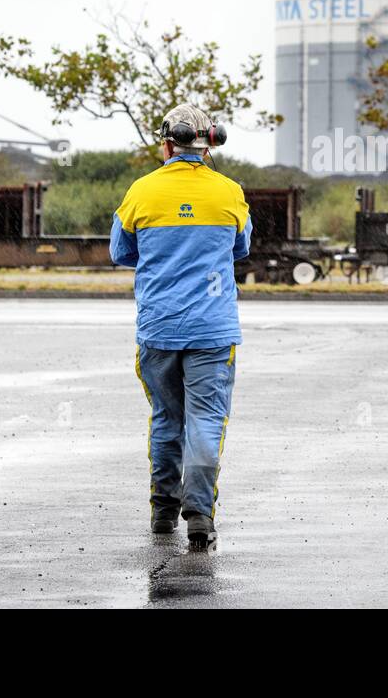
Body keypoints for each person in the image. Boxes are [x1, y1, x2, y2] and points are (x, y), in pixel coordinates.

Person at [110, 104, 252, 551]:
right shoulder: (229, 192)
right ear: (210, 143)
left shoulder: (141, 191)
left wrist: (163, 258)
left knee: (166, 417)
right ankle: (200, 515)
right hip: (213, 329)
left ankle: (162, 510)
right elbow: (241, 247)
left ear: (167, 143)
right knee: (206, 418)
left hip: (159, 327)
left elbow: (121, 251)